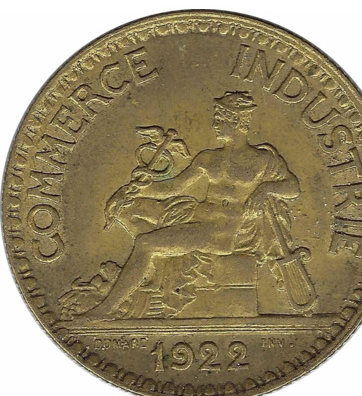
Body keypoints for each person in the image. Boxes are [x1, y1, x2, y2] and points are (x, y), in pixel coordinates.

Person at [89, 91, 300, 318]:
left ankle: (107, 308)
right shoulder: (207, 158)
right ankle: (152, 268)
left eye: (220, 119)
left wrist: (265, 188)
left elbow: (293, 187)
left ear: (238, 122)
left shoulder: (264, 159)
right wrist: (131, 190)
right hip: (194, 214)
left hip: (222, 232)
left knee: (145, 243)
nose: (214, 125)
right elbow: (173, 187)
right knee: (128, 208)